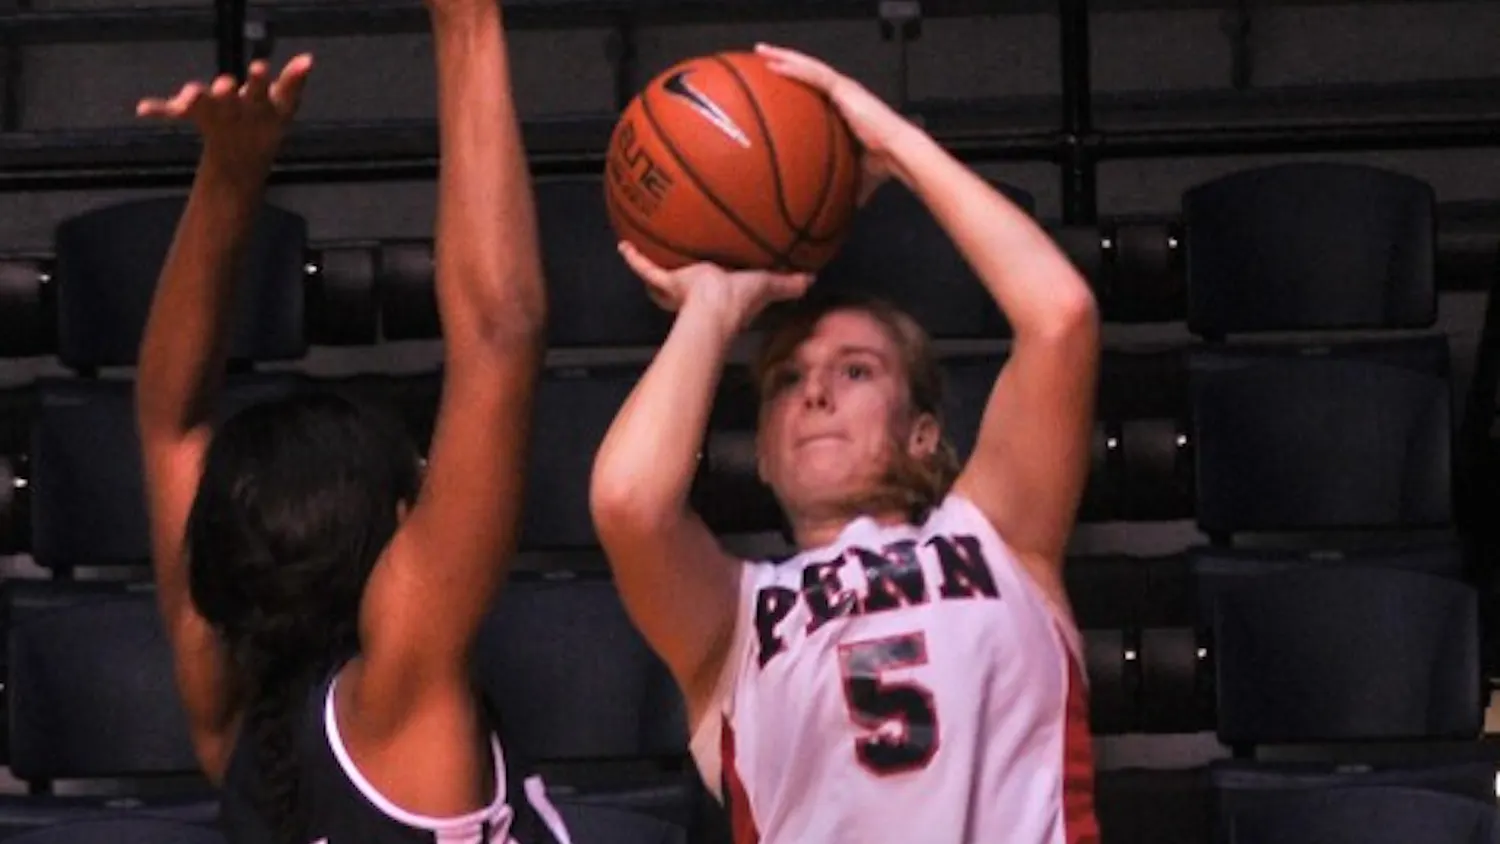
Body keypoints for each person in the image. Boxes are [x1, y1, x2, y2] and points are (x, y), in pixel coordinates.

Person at [590, 43, 1101, 844]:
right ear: (762, 452)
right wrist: (712, 310)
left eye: (855, 371)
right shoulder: (730, 621)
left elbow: (1060, 316)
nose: (817, 392)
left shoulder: (1003, 538)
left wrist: (892, 143)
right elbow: (628, 502)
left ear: (924, 434)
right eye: (788, 382)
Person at [133, 0, 567, 841]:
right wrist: (467, 24)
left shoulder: (239, 728)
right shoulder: (396, 698)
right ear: (397, 536)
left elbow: (171, 422)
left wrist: (231, 175)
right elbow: (499, 335)